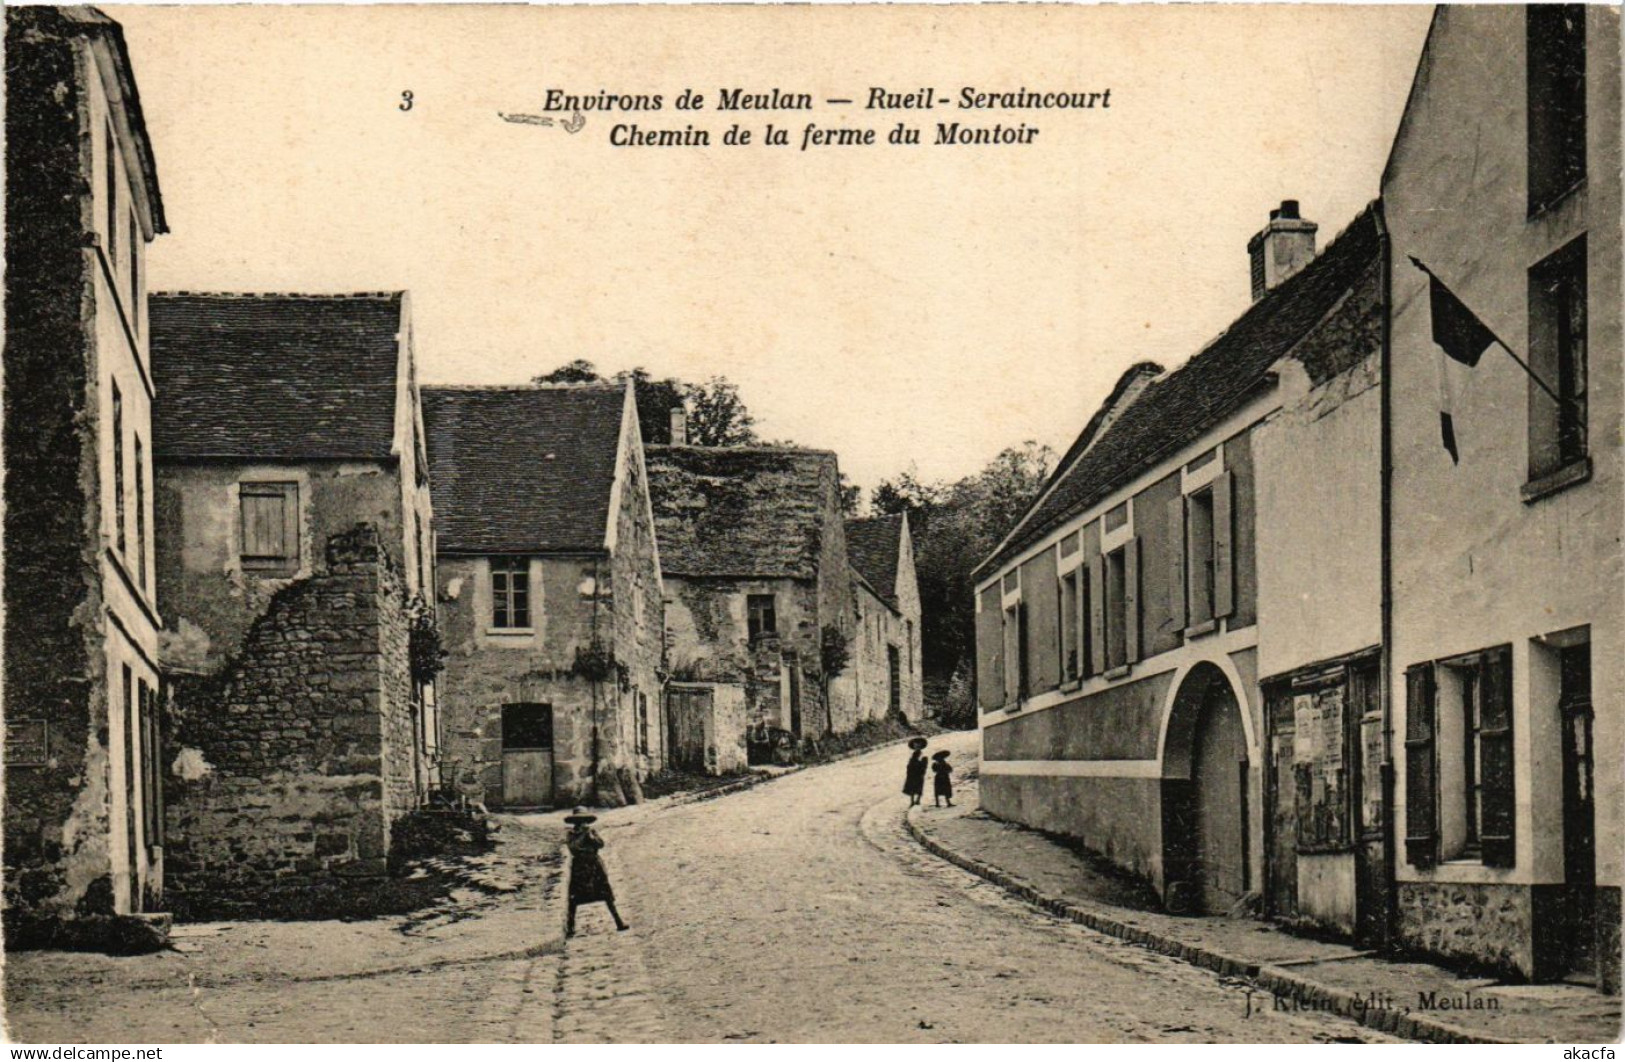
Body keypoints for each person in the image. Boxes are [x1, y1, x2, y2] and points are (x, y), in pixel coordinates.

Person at [564, 807, 629, 936]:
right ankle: (571, 927)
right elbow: (573, 848)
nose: (582, 823)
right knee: (574, 898)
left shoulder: (592, 831)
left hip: (594, 865)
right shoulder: (571, 834)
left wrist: (591, 836)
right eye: (579, 821)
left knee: (606, 894)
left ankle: (619, 922)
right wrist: (583, 835)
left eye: (584, 820)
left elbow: (600, 844)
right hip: (580, 867)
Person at [902, 737, 929, 806]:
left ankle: (918, 800)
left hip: (919, 772)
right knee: (912, 787)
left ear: (921, 745)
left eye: (918, 744)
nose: (917, 746)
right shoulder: (913, 755)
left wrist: (921, 769)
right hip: (912, 773)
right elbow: (910, 764)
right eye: (915, 744)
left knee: (919, 786)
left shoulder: (923, 755)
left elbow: (924, 764)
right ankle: (912, 801)